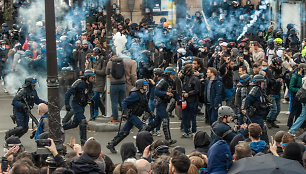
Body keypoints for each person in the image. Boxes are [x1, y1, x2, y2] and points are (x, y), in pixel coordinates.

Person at [106, 79, 151, 153]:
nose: (146, 87)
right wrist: (125, 112)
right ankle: (140, 148)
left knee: (124, 132)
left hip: (134, 114)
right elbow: (124, 102)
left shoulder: (143, 94)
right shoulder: (135, 94)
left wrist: (150, 112)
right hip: (131, 115)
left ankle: (112, 144)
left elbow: (145, 105)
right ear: (140, 87)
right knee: (143, 128)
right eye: (144, 86)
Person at [146, 67, 178, 145]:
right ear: (168, 74)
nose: (173, 76)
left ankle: (143, 131)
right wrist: (165, 93)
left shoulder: (170, 81)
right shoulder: (163, 81)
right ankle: (168, 139)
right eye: (172, 74)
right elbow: (156, 91)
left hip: (164, 102)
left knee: (156, 122)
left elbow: (173, 91)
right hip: (160, 103)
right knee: (165, 120)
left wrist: (178, 99)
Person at [64, 70, 95, 145]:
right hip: (76, 104)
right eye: (92, 77)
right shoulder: (78, 83)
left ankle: (60, 128)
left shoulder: (90, 84)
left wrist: (90, 99)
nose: (93, 78)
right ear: (87, 77)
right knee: (83, 121)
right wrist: (67, 104)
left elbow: (89, 93)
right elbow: (68, 94)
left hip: (82, 105)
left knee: (74, 124)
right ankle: (83, 141)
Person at [87, 47, 107, 120]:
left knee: (95, 97)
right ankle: (101, 112)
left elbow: (104, 72)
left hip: (99, 82)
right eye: (93, 52)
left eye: (96, 52)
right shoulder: (91, 60)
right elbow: (88, 69)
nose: (94, 54)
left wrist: (95, 71)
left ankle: (95, 113)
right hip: (92, 82)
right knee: (94, 98)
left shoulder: (103, 60)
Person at [181, 64, 200, 137]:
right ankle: (186, 130)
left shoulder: (195, 79)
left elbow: (197, 90)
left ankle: (194, 131)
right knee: (185, 116)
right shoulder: (185, 78)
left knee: (193, 117)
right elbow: (182, 87)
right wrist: (183, 94)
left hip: (193, 100)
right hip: (186, 100)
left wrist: (188, 94)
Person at [106, 55, 126, 123]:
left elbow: (107, 72)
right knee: (122, 101)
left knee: (114, 102)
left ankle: (115, 118)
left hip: (114, 84)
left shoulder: (110, 63)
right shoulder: (123, 62)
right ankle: (124, 117)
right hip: (123, 84)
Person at [266, 57, 284, 129]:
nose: (280, 66)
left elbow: (281, 75)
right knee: (274, 109)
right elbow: (270, 82)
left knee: (278, 109)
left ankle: (273, 120)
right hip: (272, 92)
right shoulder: (270, 71)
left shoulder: (278, 70)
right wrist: (277, 80)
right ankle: (268, 120)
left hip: (277, 91)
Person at [287, 63, 306, 128]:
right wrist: (300, 90)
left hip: (301, 96)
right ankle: (290, 125)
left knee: (299, 111)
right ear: (301, 69)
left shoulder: (303, 76)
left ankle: (296, 125)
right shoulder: (295, 76)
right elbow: (291, 87)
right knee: (293, 111)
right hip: (295, 96)